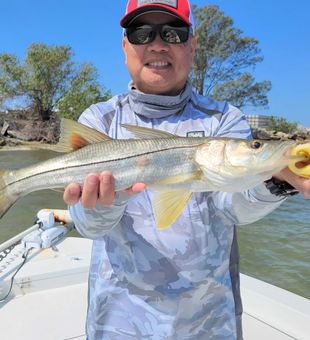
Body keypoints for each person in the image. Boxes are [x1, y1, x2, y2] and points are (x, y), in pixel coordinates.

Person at [63, 1, 310, 339]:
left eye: (173, 33)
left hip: (207, 324)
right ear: (125, 47)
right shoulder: (100, 120)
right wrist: (105, 202)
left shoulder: (223, 120)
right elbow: (89, 227)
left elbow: (231, 205)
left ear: (192, 46)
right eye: (141, 33)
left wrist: (279, 181)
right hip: (120, 321)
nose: (158, 44)